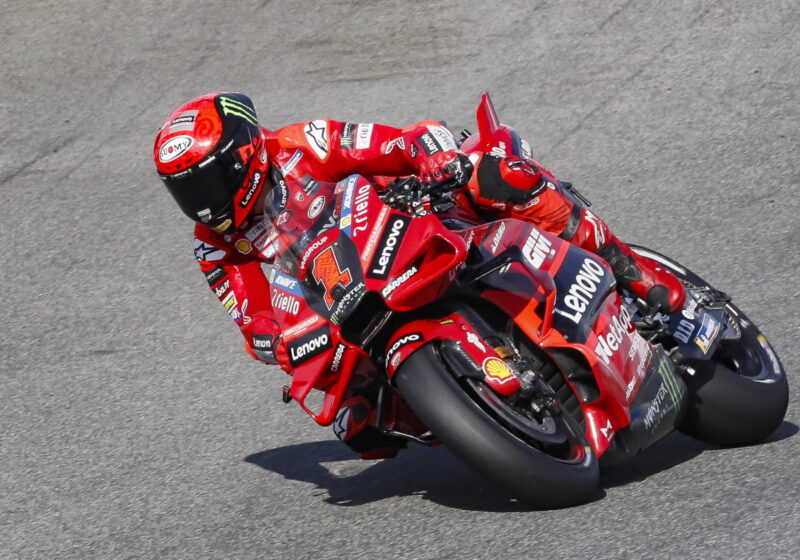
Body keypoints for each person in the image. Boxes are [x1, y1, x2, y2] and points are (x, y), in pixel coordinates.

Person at [153, 92, 686, 458]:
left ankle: (632, 271)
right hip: (345, 302)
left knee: (496, 176)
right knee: (360, 428)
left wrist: (432, 162)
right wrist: (277, 342)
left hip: (405, 220)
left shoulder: (301, 143)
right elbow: (254, 320)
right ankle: (480, 407)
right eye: (185, 191)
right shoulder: (212, 246)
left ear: (243, 153)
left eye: (206, 182)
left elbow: (396, 142)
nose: (202, 203)